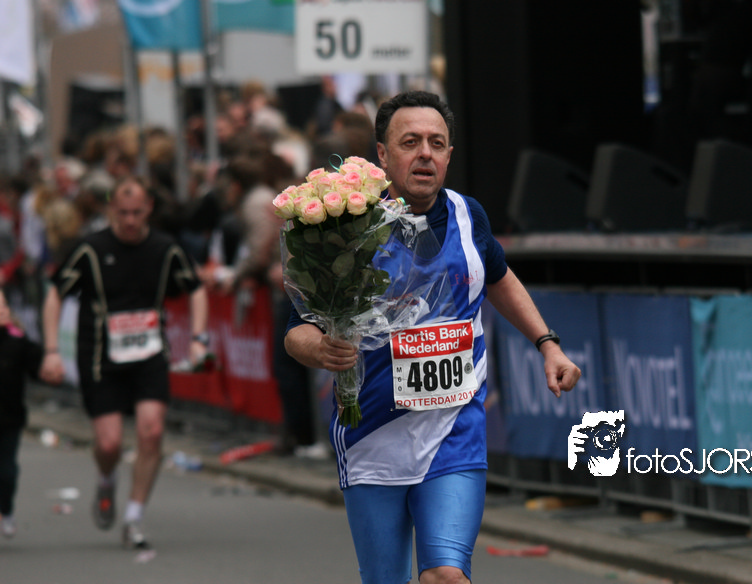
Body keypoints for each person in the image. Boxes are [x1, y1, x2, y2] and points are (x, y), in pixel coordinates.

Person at [283, 90, 582, 584]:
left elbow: (499, 277)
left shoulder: (468, 215)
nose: (425, 153)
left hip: (453, 434)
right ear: (382, 154)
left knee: (445, 574)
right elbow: (297, 329)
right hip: (372, 438)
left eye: (436, 143)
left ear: (448, 155)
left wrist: (547, 344)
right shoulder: (346, 228)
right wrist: (320, 348)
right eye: (411, 142)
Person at [39, 176, 209, 551]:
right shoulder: (90, 248)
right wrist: (51, 350)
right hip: (100, 356)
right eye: (123, 212)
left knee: (151, 431)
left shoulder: (165, 248)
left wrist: (199, 339)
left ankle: (133, 517)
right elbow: (55, 294)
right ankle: (106, 478)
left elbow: (196, 289)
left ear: (149, 209)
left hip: (149, 353)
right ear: (110, 209)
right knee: (110, 443)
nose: (130, 220)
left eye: (137, 212)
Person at [0, 289, 45, 539]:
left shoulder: (18, 342)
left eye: (4, 305)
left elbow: (38, 369)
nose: (2, 310)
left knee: (7, 472)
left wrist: (50, 368)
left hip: (9, 419)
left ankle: (6, 510)